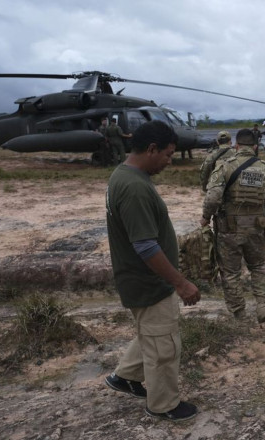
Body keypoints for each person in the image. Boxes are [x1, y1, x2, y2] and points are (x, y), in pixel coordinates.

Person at [103, 120, 201, 422]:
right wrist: (181, 283)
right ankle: (163, 405)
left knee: (152, 333)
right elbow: (145, 247)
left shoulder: (126, 175)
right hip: (149, 282)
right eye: (169, 155)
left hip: (141, 280)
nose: (170, 162)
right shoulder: (133, 188)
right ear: (151, 149)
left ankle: (125, 376)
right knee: (163, 345)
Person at [201, 128, 265, 323]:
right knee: (257, 266)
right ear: (256, 146)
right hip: (257, 228)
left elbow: (213, 197)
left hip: (229, 229)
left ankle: (239, 314)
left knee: (231, 272)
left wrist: (205, 217)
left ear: (236, 146)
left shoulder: (225, 167)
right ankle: (263, 306)